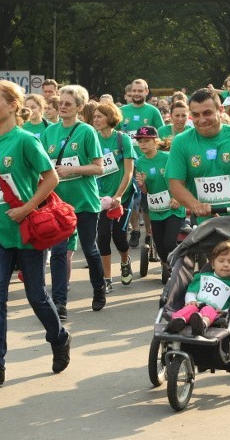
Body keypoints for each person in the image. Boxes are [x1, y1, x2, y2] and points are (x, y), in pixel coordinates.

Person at [0, 80, 70, 386]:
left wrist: (27, 208)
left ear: (13, 106)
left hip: (27, 230)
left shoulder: (26, 140)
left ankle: (59, 338)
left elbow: (51, 178)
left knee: (37, 296)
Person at [166, 87, 230, 338]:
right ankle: (200, 322)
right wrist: (194, 204)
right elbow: (175, 183)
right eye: (196, 114)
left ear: (221, 111)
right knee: (204, 277)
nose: (201, 120)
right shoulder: (182, 142)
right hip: (204, 224)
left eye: (208, 113)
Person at [43, 84, 106, 319]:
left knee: (89, 248)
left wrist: (72, 169)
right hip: (59, 204)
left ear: (80, 107)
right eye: (61, 102)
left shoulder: (87, 132)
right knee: (59, 251)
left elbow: (99, 167)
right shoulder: (49, 132)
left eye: (68, 103)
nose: (62, 106)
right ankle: (60, 302)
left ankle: (99, 288)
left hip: (85, 202)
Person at [92, 102, 136, 292]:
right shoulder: (92, 139)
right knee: (102, 237)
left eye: (99, 116)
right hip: (99, 198)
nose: (96, 120)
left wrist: (118, 196)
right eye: (94, 116)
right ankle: (107, 279)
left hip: (122, 197)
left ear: (110, 118)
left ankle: (125, 262)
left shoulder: (122, 140)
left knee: (119, 237)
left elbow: (128, 172)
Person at [117, 79, 164, 249]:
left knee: (147, 200)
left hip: (148, 161)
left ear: (146, 92)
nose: (136, 93)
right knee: (132, 199)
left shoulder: (152, 111)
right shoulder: (121, 111)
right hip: (128, 162)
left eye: (140, 90)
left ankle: (150, 233)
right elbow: (113, 132)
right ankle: (135, 230)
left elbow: (162, 133)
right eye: (134, 91)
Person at [134, 126, 185, 274]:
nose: (143, 144)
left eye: (146, 141)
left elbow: (182, 178)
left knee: (169, 242)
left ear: (156, 141)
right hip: (156, 210)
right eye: (140, 141)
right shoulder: (140, 162)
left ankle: (177, 269)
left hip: (173, 207)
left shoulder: (168, 157)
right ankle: (167, 266)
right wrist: (142, 185)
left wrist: (177, 198)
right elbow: (145, 191)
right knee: (160, 246)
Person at [165, 239, 230, 336]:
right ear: (213, 264)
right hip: (197, 304)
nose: (225, 264)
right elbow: (191, 291)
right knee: (189, 309)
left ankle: (201, 324)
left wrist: (225, 312)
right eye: (221, 261)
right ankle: (177, 321)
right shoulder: (203, 277)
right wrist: (191, 300)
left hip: (215, 309)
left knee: (209, 310)